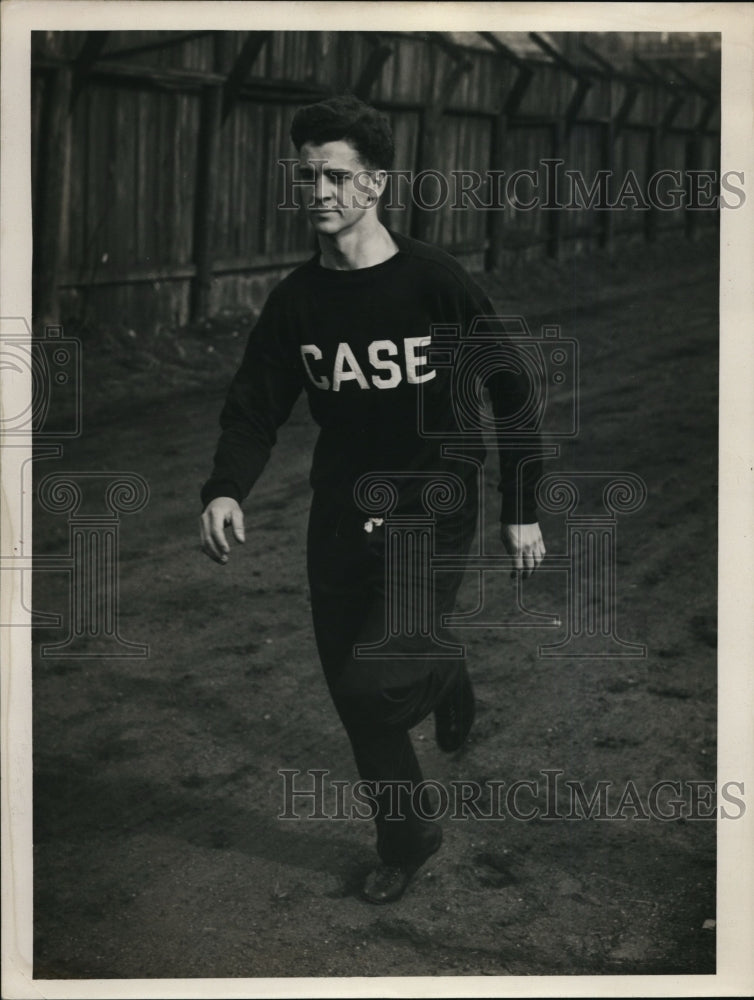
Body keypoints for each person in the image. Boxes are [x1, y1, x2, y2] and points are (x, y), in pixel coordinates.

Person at [199, 94, 545, 904]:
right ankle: (409, 836)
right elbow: (255, 402)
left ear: (374, 184)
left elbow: (510, 388)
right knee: (356, 700)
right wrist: (224, 488)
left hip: (433, 511)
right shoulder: (296, 303)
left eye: (335, 175)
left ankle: (441, 663)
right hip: (341, 518)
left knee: (370, 685)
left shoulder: (433, 284)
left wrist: (521, 504)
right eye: (305, 175)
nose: (317, 190)